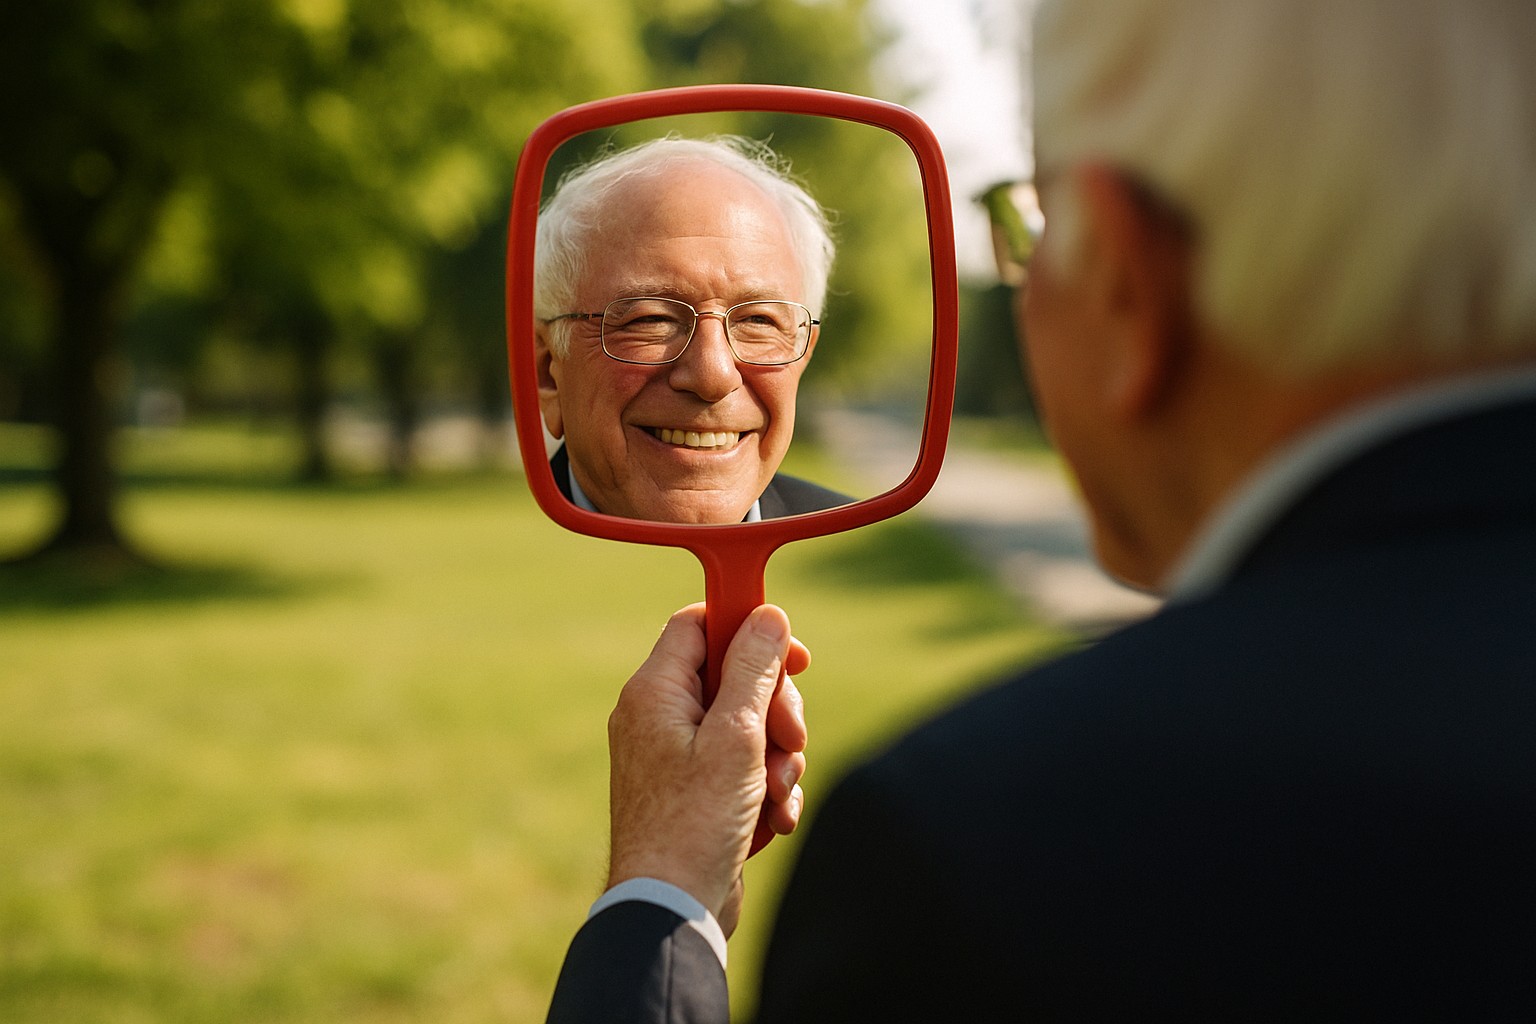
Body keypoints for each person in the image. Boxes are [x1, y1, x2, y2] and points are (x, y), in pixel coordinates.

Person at [547, 0, 1536, 1018]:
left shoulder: (979, 858)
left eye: (1030, 236)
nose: (713, 373)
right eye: (647, 320)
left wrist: (656, 902)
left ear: (1116, 272)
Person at [534, 136, 849, 523]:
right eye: (652, 319)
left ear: (803, 352)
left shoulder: (862, 553)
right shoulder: (460, 570)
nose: (713, 376)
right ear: (547, 368)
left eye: (758, 321)